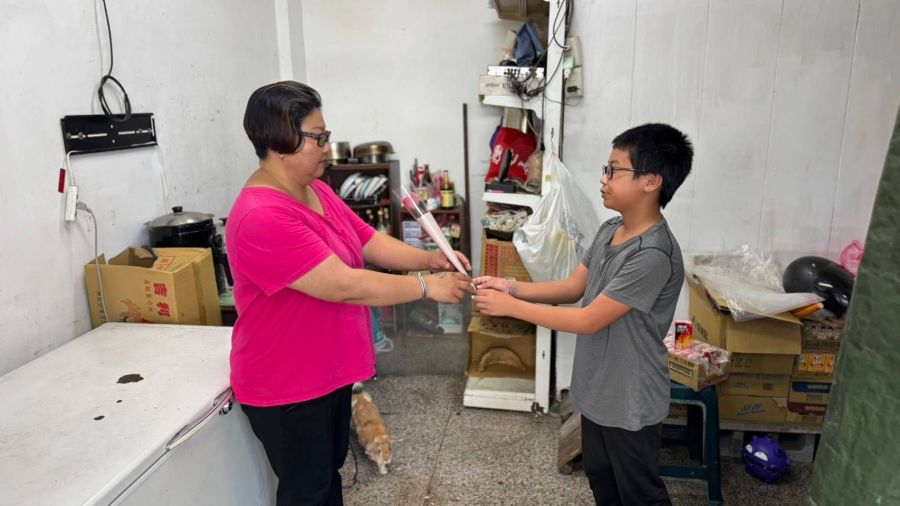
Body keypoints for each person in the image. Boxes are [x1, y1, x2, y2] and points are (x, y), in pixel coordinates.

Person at [226, 81, 473, 506]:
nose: (327, 147)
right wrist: (425, 286)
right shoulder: (262, 216)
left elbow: (366, 239)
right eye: (318, 137)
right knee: (308, 491)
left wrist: (429, 259)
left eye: (327, 135)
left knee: (327, 478)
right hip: (289, 385)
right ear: (281, 140)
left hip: (326, 373)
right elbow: (343, 285)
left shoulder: (315, 189)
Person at [474, 123, 693, 505]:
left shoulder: (653, 254)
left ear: (651, 181)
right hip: (596, 389)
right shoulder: (611, 229)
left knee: (640, 495)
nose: (603, 179)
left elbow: (588, 319)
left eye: (614, 170)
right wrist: (510, 287)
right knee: (602, 481)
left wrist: (512, 308)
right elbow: (574, 287)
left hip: (630, 399)